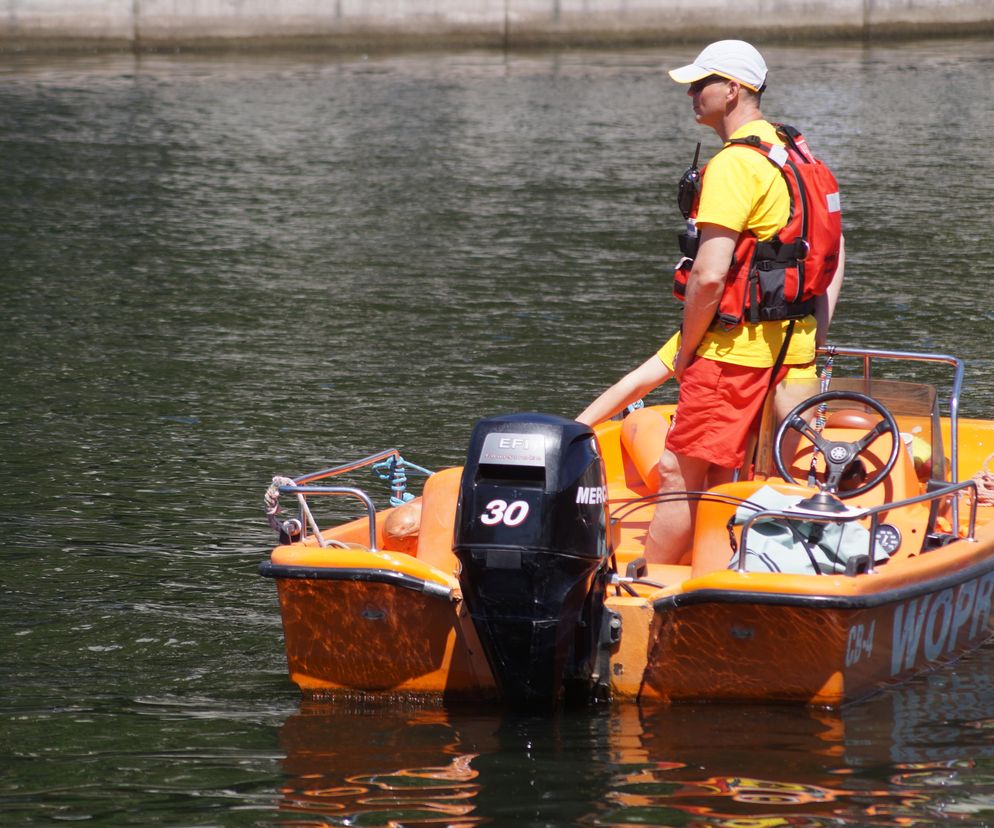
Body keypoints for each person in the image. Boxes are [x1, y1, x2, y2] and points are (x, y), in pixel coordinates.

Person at [641, 39, 845, 565]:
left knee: (679, 472)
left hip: (734, 356)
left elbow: (709, 277)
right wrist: (818, 330)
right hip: (794, 353)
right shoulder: (797, 152)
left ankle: (648, 582)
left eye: (700, 83)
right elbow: (834, 247)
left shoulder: (734, 165)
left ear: (733, 90)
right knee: (762, 473)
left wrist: (688, 350)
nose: (690, 92)